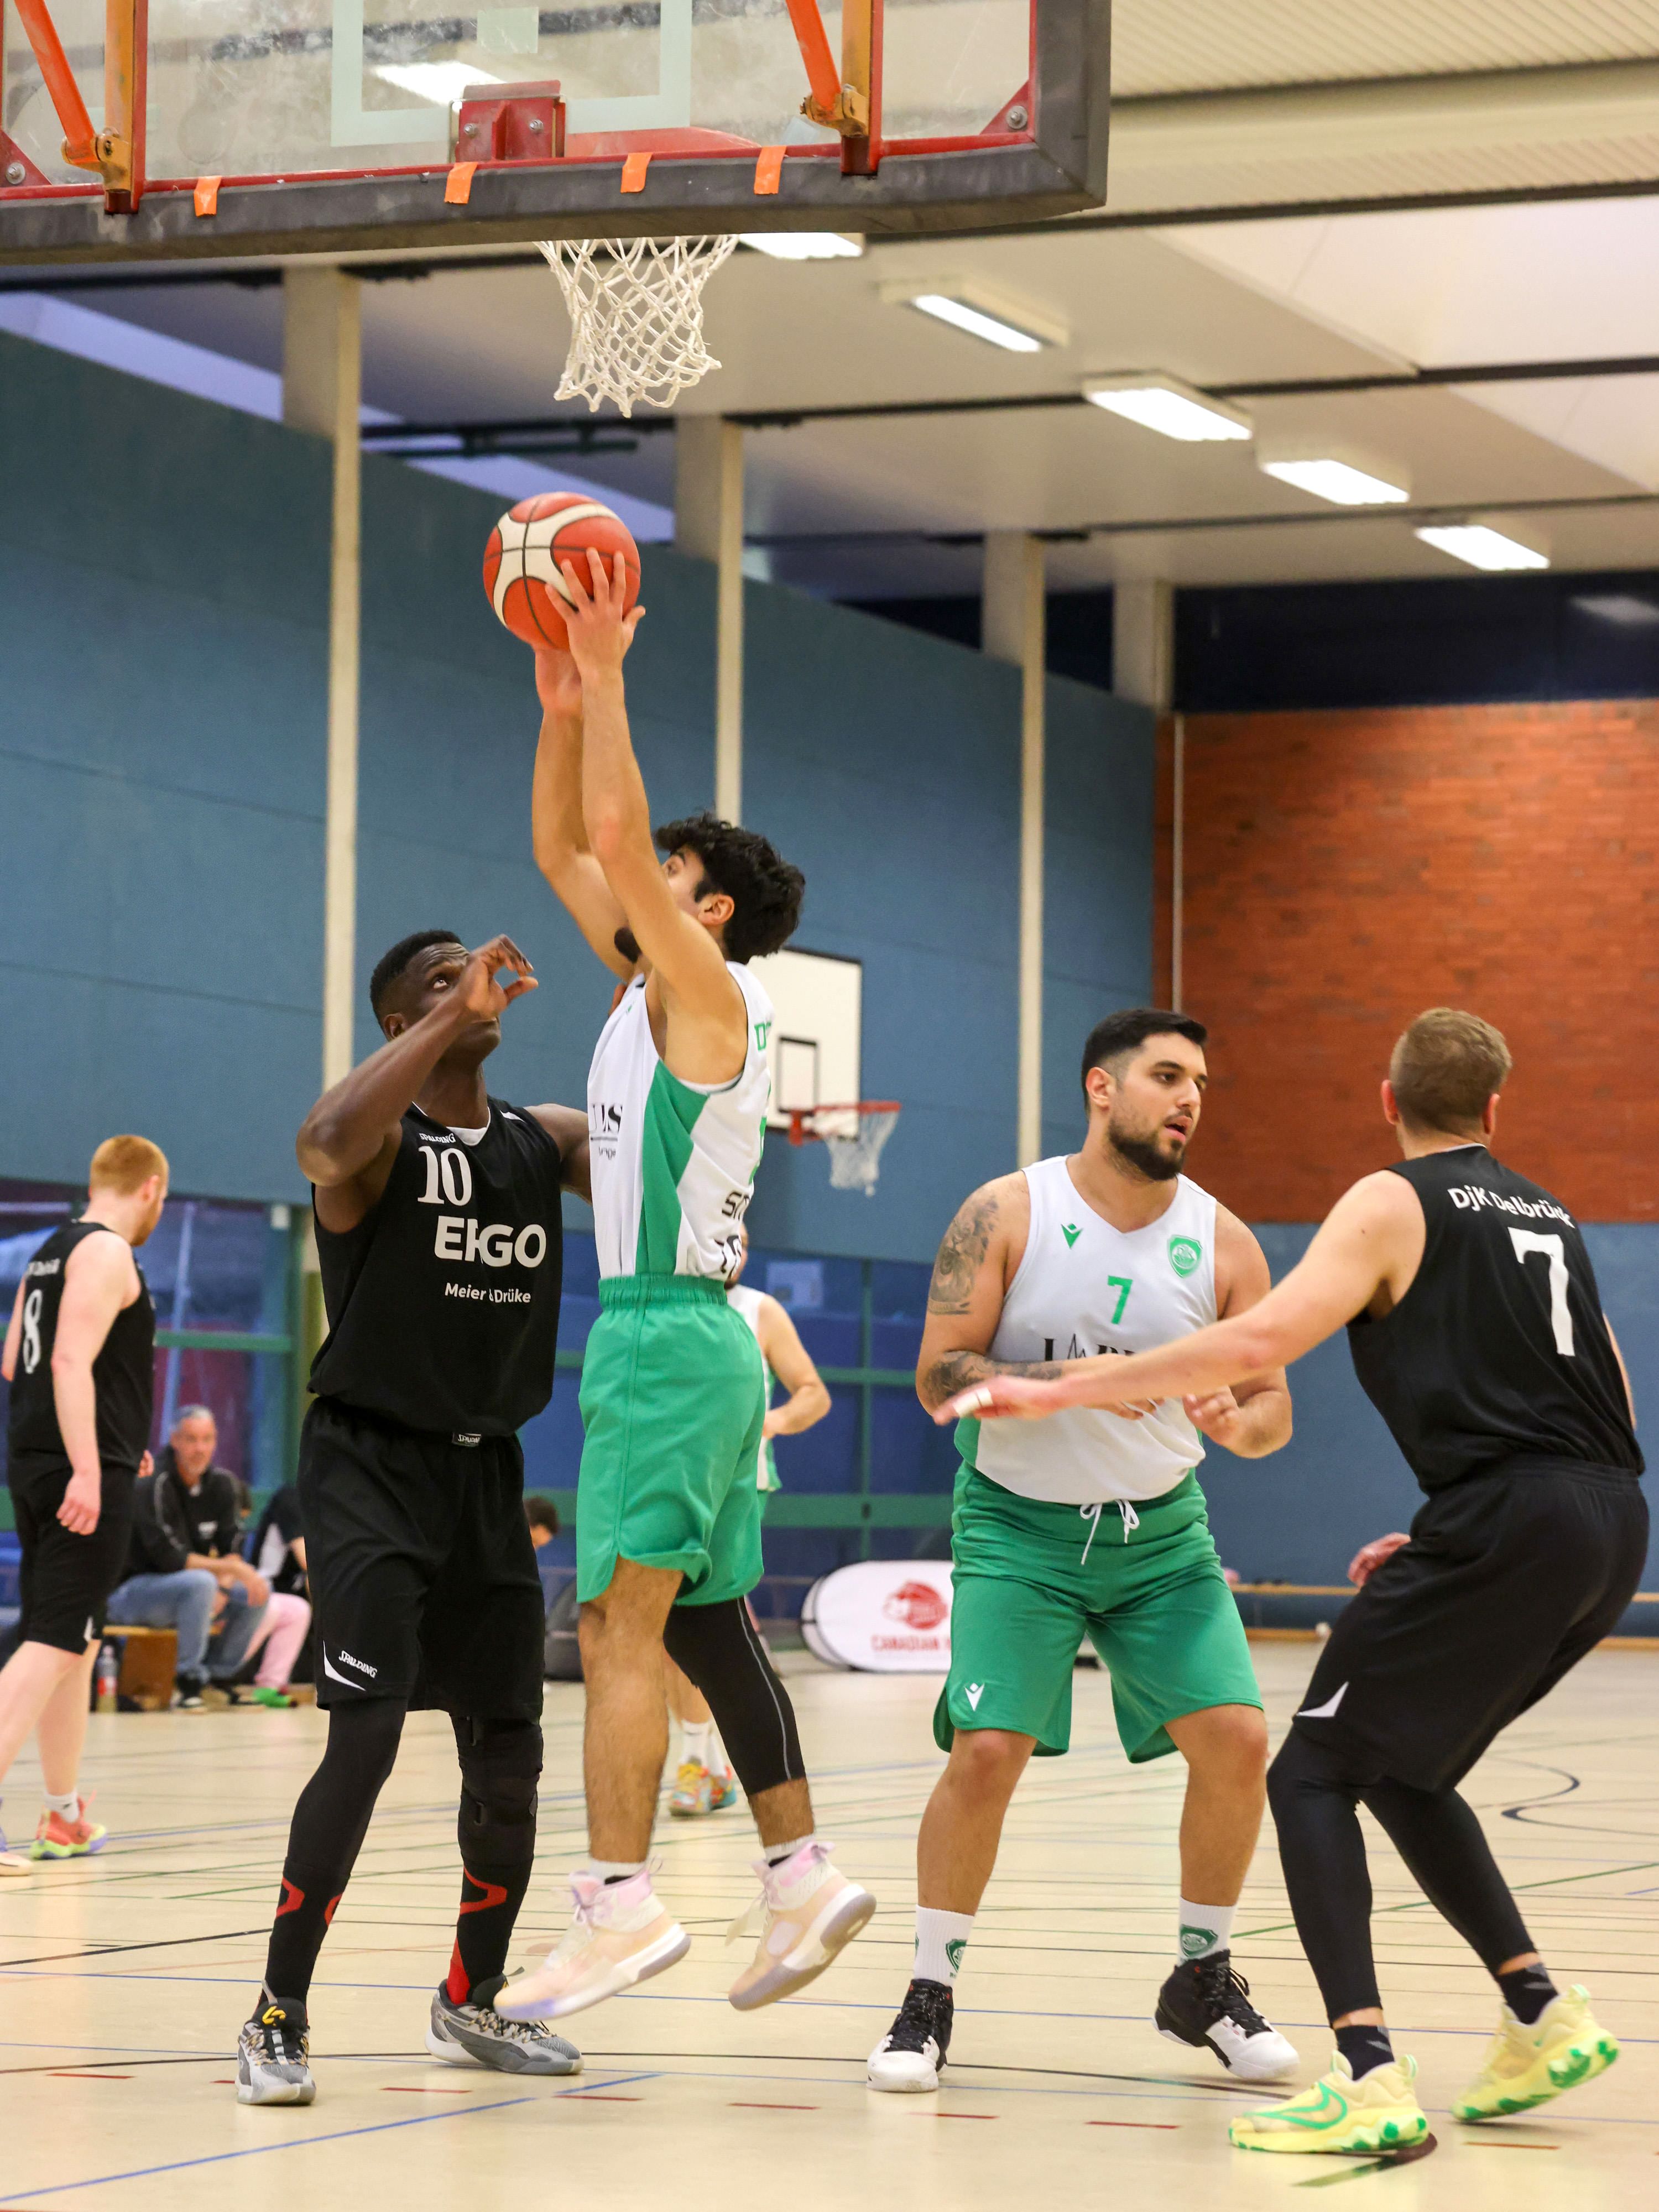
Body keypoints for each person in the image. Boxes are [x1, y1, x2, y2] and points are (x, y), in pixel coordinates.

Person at [950, 1008, 1644, 2156]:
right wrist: (1483, 1529)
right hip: (1608, 1520)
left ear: (1388, 1100)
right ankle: (1538, 2009)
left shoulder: (1391, 1199)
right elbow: (1605, 1388)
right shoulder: (1553, 1216)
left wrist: (1058, 1387)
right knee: (1404, 1769)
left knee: (1311, 1771)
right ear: (1495, 1109)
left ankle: (1367, 2073)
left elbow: (1253, 1344)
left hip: (1510, 1517)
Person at [502, 549, 873, 2023]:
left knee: (616, 1627)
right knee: (711, 1622)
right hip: (702, 1338)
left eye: (664, 877)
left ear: (706, 910)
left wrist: (607, 673)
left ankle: (618, 1903)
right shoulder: (657, 988)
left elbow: (607, 826)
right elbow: (563, 841)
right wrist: (557, 697)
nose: (634, 880)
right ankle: (801, 1873)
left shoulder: (710, 995)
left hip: (665, 1336)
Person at [867, 1010, 1297, 2093]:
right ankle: (928, 1991)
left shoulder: (1228, 1242)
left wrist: (1235, 1423)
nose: (1189, 1097)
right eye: (1167, 1075)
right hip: (1019, 1527)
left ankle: (1203, 1977)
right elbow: (938, 1373)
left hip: (1162, 1537)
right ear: (1101, 1087)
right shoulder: (1007, 1211)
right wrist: (1050, 1386)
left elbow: (1272, 1409)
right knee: (986, 1751)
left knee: (1240, 1738)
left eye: (1201, 1082)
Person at [235, 929, 591, 2106]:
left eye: (472, 974)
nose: (470, 986)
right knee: (369, 1735)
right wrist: (451, 1012)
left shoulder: (542, 1139)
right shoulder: (380, 1143)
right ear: (401, 1023)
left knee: (510, 1752)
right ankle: (277, 2011)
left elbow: (660, 1157)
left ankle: (470, 1998)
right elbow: (320, 1142)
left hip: (488, 1476)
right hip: (369, 1466)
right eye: (437, 983)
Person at [0, 1136, 166, 1873]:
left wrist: (117, 1437)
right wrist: (92, 1467)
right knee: (53, 1643)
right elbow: (67, 1358)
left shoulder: (48, 1254)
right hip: (78, 1471)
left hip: (40, 1461)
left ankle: (62, 1814)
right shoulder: (107, 1252)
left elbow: (17, 1360)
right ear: (150, 1187)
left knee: (75, 1640)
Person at [669, 1245, 831, 1818]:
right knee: (667, 1629)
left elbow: (814, 1392)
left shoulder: (760, 1309)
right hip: (672, 1477)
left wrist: (770, 1421)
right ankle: (705, 1761)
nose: (730, 1239)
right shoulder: (663, 1300)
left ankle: (702, 1763)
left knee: (703, 1621)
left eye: (739, 1227)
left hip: (737, 1485)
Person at [109, 1405, 281, 1708]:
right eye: (191, 1439)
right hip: (131, 1593)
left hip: (190, 1591)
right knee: (201, 1583)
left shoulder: (223, 1484)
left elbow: (232, 1547)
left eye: (207, 1439)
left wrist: (226, 1584)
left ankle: (216, 1678)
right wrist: (227, 1574)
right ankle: (188, 1681)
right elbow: (169, 1559)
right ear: (174, 1440)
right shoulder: (154, 1482)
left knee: (257, 1590)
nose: (200, 1449)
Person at [244, 1479, 312, 1704]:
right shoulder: (291, 1498)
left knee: (301, 1608)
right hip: (265, 1590)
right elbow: (309, 1561)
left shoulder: (334, 1507)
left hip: (293, 1597)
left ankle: (271, 1686)